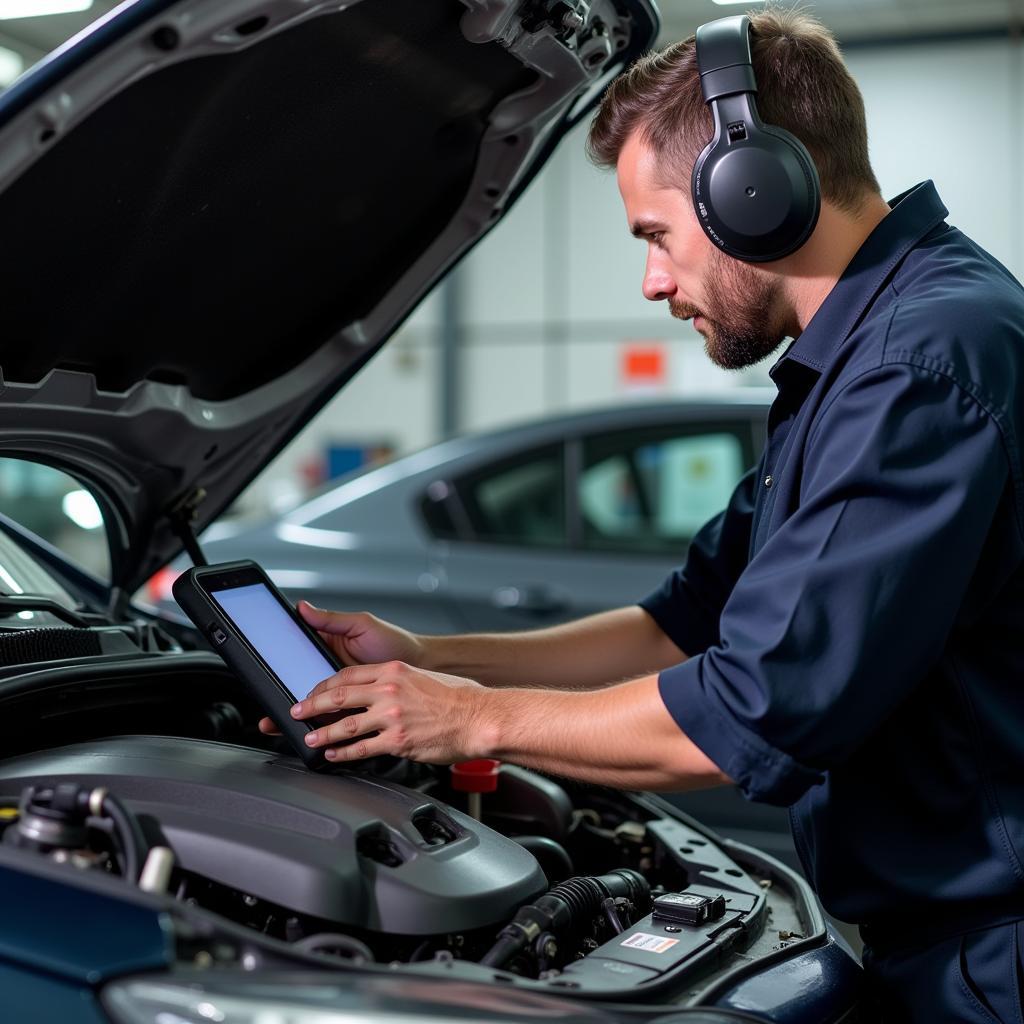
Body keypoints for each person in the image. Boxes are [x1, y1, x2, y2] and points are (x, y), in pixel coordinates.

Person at [261, 9, 1024, 1021]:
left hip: (993, 960)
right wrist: (434, 657)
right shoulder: (859, 361)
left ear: (752, 193)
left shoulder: (920, 363)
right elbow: (677, 625)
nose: (654, 281)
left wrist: (468, 719)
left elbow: (750, 713)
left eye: (656, 235)